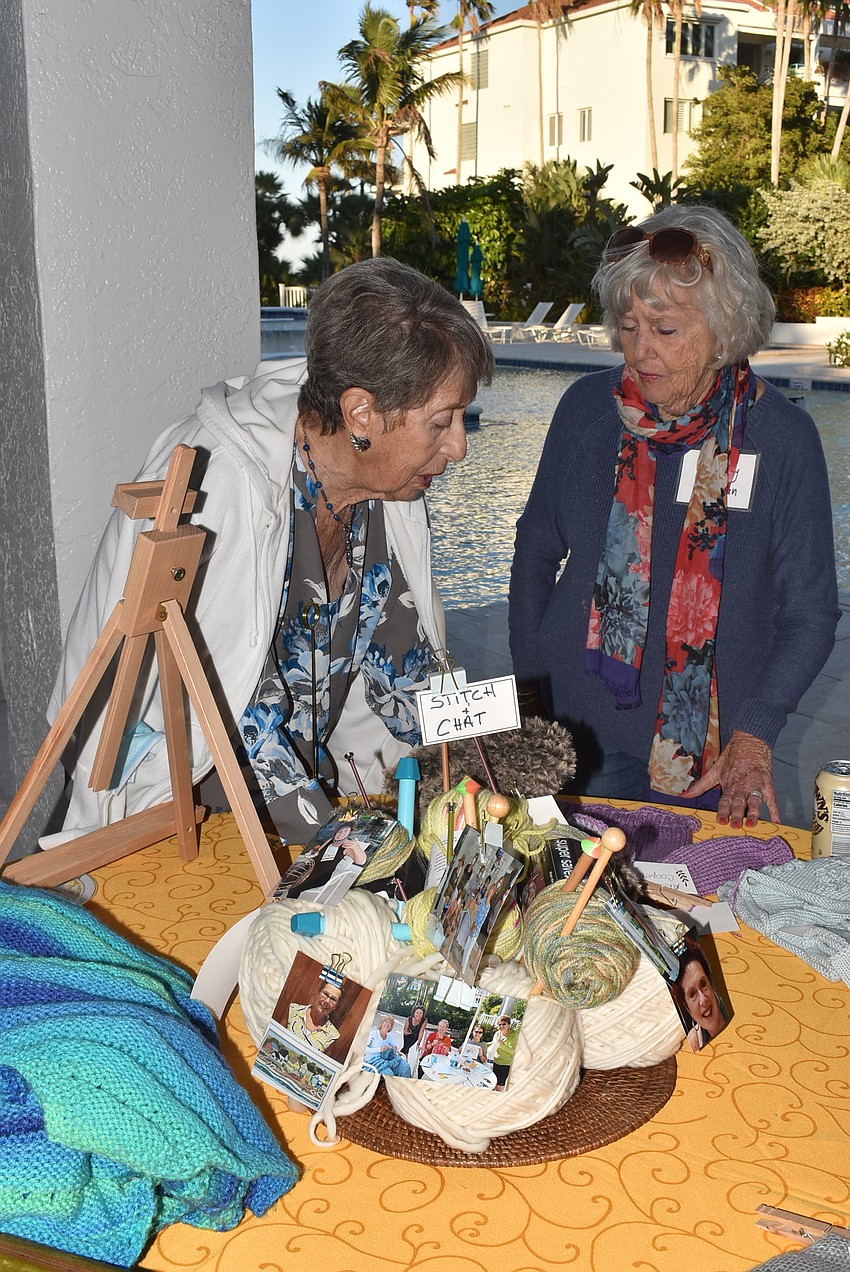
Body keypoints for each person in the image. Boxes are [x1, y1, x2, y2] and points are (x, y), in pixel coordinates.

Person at [46, 259, 493, 849]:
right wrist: (351, 844)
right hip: (186, 812)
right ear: (361, 413)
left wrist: (491, 756)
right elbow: (229, 717)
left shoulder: (388, 487)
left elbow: (409, 674)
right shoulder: (218, 487)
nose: (458, 447)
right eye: (442, 422)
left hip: (307, 805)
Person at [509, 206, 840, 827]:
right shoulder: (587, 411)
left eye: (664, 330)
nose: (639, 351)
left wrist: (757, 730)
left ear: (724, 328)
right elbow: (534, 551)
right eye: (629, 326)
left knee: (690, 907)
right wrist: (530, 689)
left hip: (709, 746)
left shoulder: (783, 439)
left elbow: (811, 613)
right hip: (576, 722)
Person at [673, 944, 727, 1050]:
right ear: (688, 1008)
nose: (703, 1000)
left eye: (703, 984)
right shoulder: (695, 1041)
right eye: (692, 994)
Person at [287, 979, 342, 1053]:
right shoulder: (292, 1010)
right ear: (317, 993)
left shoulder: (333, 1035)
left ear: (335, 1006)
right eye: (325, 994)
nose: (327, 1001)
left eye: (333, 999)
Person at [486, 1015, 519, 1089]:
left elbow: (513, 1051)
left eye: (504, 1024)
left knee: (499, 1087)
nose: (501, 1026)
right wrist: (481, 1044)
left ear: (509, 1025)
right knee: (491, 1085)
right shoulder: (497, 1033)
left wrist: (502, 1045)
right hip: (495, 1062)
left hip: (505, 1065)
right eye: (499, 1024)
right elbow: (492, 1044)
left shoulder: (514, 1035)